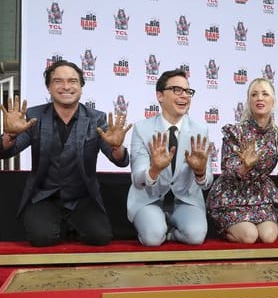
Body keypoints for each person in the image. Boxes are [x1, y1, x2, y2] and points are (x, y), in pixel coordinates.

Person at [0, 60, 131, 247]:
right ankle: (58, 225)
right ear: (49, 87)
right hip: (43, 196)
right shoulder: (33, 116)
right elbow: (8, 150)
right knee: (42, 238)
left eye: (72, 81)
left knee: (100, 237)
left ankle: (71, 225)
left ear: (81, 86)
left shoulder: (97, 119)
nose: (66, 87)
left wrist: (117, 147)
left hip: (82, 197)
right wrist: (10, 135)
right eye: (58, 81)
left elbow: (119, 160)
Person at [206, 78, 278, 244]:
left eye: (265, 94)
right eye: (254, 94)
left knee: (268, 237)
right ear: (249, 101)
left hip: (261, 196)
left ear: (273, 101)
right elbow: (227, 170)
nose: (259, 98)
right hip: (232, 196)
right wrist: (244, 167)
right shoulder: (235, 132)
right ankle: (223, 229)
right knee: (249, 236)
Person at [127, 69, 213, 246]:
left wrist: (200, 171)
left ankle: (171, 233)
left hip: (185, 200)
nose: (184, 96)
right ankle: (156, 227)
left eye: (188, 91)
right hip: (149, 199)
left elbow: (207, 183)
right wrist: (154, 170)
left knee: (195, 236)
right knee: (152, 239)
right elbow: (138, 179)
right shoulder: (142, 129)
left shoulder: (200, 130)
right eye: (177, 90)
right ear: (160, 96)